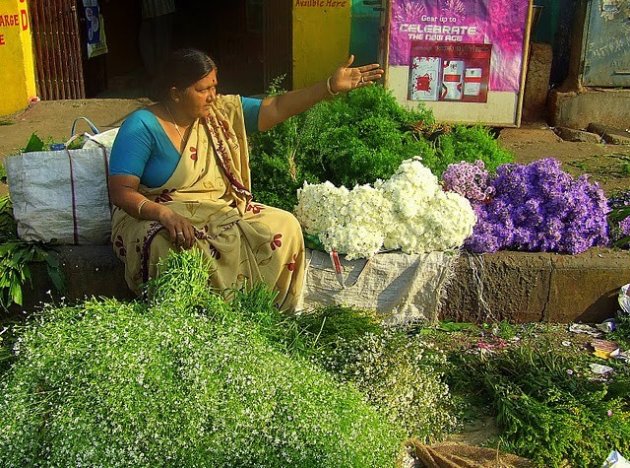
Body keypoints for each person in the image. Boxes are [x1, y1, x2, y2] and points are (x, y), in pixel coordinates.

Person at [108, 48, 383, 311]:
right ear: (175, 93)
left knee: (284, 225)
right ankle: (194, 320)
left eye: (214, 87)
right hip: (155, 213)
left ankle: (263, 313)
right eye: (202, 90)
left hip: (219, 209)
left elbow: (274, 107)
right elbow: (122, 192)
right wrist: (164, 215)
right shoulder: (142, 126)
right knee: (165, 244)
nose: (212, 96)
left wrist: (328, 86)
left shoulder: (220, 114)